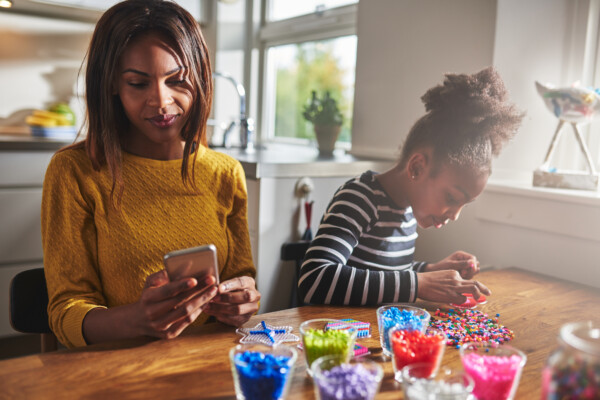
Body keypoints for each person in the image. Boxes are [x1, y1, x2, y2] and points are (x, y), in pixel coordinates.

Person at [41, 0, 260, 349]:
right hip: (119, 371)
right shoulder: (75, 173)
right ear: (112, 85)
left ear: (200, 78)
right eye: (138, 83)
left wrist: (243, 299)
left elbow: (241, 277)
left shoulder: (225, 173)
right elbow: (65, 312)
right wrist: (138, 319)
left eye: (177, 80)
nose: (161, 102)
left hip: (210, 365)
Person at [298, 67, 524, 306]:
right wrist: (420, 284)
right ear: (417, 168)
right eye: (451, 197)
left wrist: (430, 270)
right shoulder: (359, 199)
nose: (455, 215)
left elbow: (387, 272)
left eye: (463, 205)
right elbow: (314, 280)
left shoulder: (407, 211)